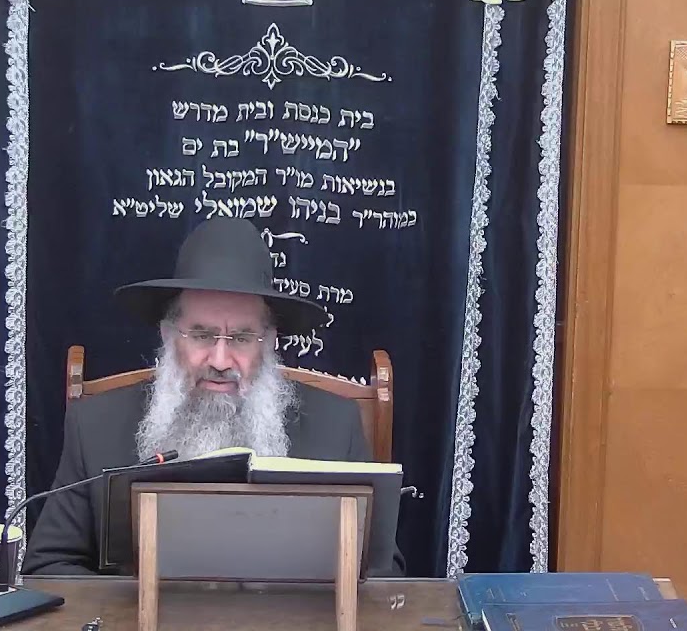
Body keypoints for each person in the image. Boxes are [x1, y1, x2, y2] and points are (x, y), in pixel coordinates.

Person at [21, 217, 405, 576]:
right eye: (202, 335)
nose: (220, 361)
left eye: (241, 338)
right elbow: (50, 568)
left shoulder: (336, 427)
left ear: (269, 342)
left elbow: (383, 575)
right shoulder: (95, 427)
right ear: (168, 335)